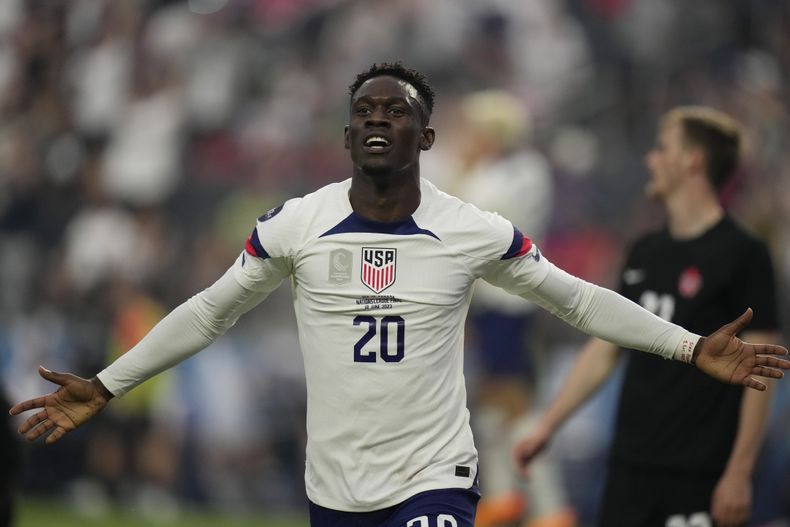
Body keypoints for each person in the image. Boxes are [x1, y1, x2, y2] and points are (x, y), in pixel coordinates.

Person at [9, 65, 789, 527]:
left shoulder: (472, 229)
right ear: (348, 137)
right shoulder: (295, 224)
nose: (378, 118)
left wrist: (688, 346)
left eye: (398, 111)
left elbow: (576, 300)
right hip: (334, 488)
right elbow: (211, 310)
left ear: (428, 139)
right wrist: (110, 383)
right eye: (364, 112)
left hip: (434, 477)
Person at [514, 106, 782, 527]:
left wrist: (739, 472)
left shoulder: (745, 255)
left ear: (693, 159)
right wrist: (548, 425)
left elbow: (761, 371)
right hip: (629, 468)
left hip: (700, 474)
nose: (650, 159)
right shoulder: (645, 251)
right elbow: (605, 347)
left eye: (662, 148)